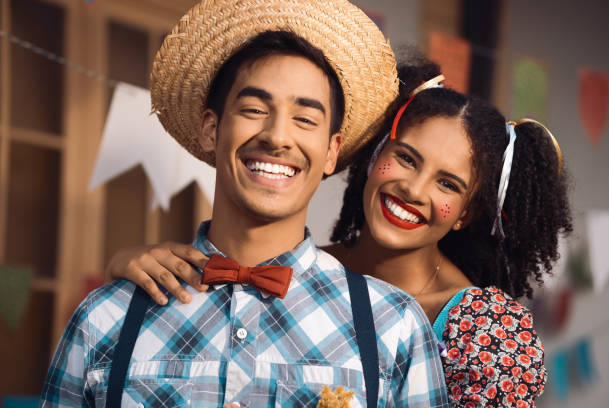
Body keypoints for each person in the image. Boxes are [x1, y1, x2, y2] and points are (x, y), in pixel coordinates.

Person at [40, 1, 450, 407]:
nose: (276, 136)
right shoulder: (104, 319)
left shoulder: (393, 328)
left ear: (330, 151)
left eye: (305, 119)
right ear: (211, 130)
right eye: (254, 109)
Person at [109, 51, 573, 407]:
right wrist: (130, 265)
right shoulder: (299, 270)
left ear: (467, 213)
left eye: (447, 183)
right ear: (372, 158)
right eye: (406, 158)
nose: (412, 188)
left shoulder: (483, 330)